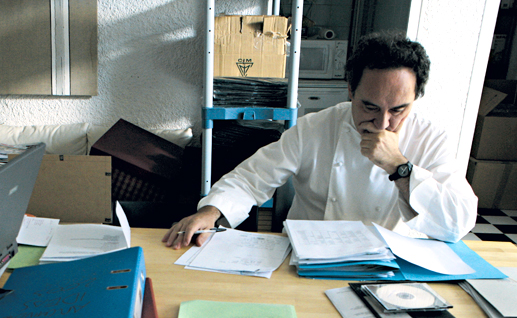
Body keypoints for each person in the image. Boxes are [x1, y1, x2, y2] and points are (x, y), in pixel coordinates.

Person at [163, 31, 477, 249]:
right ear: (351, 91)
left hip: (391, 264)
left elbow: (458, 222)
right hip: (310, 257)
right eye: (369, 106)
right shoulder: (316, 127)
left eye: (398, 109)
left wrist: (401, 168)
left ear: (415, 99)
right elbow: (253, 177)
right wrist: (211, 211)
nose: (383, 123)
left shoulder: (431, 137)